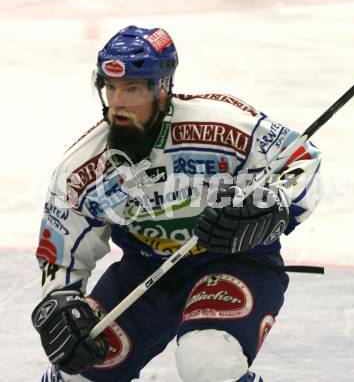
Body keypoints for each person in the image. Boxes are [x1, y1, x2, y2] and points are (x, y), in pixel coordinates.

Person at [31, 25, 322, 382]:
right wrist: (61, 305)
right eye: (111, 87)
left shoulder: (223, 125)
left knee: (207, 363)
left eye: (132, 88)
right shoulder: (82, 168)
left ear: (163, 87)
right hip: (147, 272)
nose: (118, 102)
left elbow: (302, 159)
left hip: (237, 260)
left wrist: (275, 204)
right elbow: (60, 256)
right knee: (77, 373)